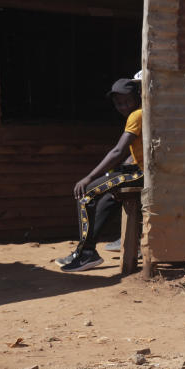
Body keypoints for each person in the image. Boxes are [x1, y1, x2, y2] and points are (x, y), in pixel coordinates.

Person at [54, 78, 144, 272]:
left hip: (142, 174)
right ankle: (84, 250)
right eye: (118, 103)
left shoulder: (136, 115)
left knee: (86, 192)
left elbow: (118, 151)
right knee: (109, 198)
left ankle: (87, 253)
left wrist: (89, 177)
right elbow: (133, 152)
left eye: (126, 101)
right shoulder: (141, 113)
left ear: (137, 97)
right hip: (138, 169)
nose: (122, 106)